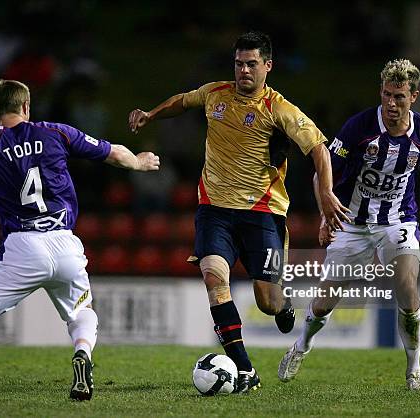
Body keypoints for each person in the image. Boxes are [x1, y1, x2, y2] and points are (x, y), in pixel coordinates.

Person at [0, 79, 160, 401]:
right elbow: (111, 153)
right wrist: (139, 162)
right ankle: (82, 353)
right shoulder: (55, 132)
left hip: (23, 247)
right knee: (82, 312)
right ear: (26, 106)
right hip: (65, 242)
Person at [128, 31, 349, 393]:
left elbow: (319, 148)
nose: (243, 70)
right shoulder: (216, 93)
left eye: (251, 64)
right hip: (214, 210)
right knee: (215, 279)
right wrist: (150, 115)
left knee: (267, 301)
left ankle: (283, 303)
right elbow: (183, 102)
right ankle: (245, 369)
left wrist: (325, 193)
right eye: (238, 63)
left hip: (262, 214)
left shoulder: (279, 109)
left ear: (268, 66)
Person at [278, 59, 420, 390]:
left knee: (406, 287)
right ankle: (301, 345)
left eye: (400, 98)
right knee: (325, 301)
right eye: (387, 96)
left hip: (398, 221)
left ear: (414, 97)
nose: (392, 104)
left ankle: (414, 371)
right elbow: (323, 171)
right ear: (381, 92)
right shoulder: (359, 127)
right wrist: (326, 214)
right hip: (352, 221)